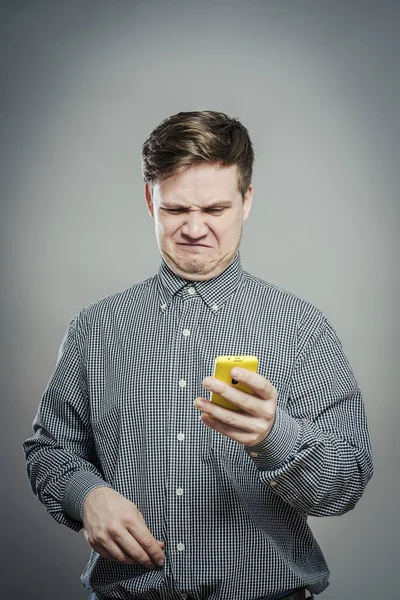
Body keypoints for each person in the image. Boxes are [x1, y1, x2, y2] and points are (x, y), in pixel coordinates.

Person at [23, 110, 373, 600]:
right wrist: (86, 497)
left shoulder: (302, 330)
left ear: (247, 202)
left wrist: (275, 439)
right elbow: (49, 451)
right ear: (150, 200)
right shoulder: (95, 327)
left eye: (214, 210)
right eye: (175, 210)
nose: (193, 229)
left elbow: (349, 481)